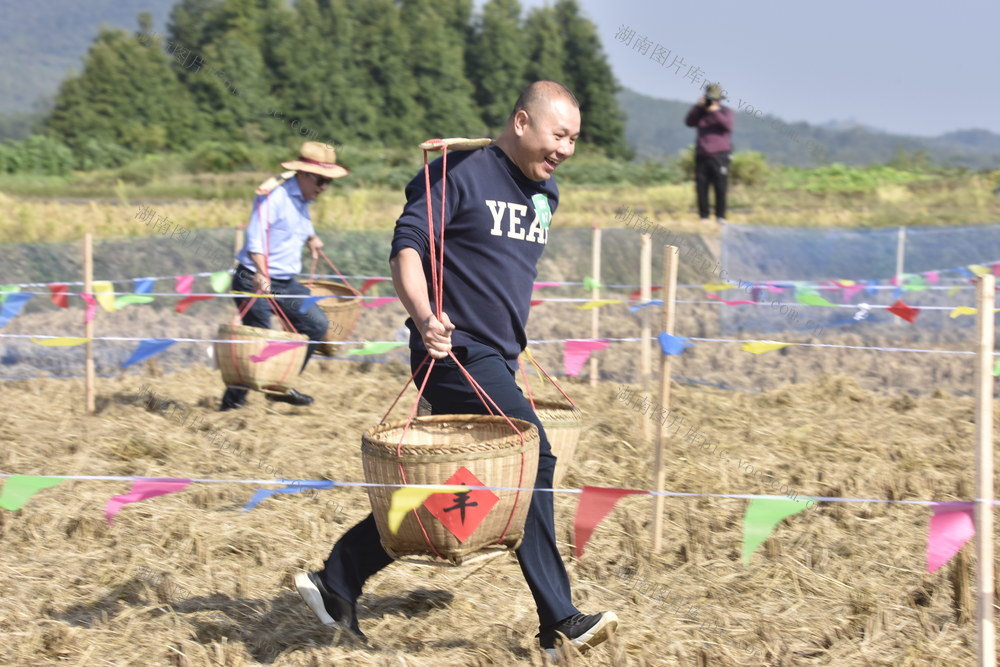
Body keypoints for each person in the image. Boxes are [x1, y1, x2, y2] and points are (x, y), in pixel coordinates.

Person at [294, 81, 618, 657]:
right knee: (530, 452)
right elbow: (407, 247)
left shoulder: (548, 195)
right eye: (557, 134)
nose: (565, 148)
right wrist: (423, 317)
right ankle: (557, 620)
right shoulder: (459, 172)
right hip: (454, 352)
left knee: (469, 490)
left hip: (497, 358)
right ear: (521, 122)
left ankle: (338, 578)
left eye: (574, 138)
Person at [219, 141, 348, 411]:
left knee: (314, 325)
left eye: (329, 182)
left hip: (285, 282)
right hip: (254, 278)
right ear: (303, 174)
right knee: (259, 342)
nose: (324, 187)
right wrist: (262, 274)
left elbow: (301, 224)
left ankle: (279, 385)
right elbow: (255, 239)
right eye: (321, 181)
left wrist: (312, 238)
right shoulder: (272, 197)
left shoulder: (303, 199)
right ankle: (232, 407)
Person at [684, 82, 734, 224]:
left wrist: (714, 110)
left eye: (714, 99)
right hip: (702, 154)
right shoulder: (700, 113)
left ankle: (720, 216)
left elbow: (727, 125)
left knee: (720, 186)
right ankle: (704, 216)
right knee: (701, 186)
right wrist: (698, 106)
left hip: (720, 155)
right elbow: (689, 122)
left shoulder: (726, 112)